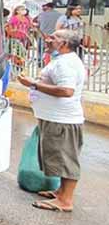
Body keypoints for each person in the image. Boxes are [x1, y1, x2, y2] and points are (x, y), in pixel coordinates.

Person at [17, 29, 86, 213]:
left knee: (66, 159)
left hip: (62, 120)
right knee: (58, 157)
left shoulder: (66, 64)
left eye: (53, 38)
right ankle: (60, 192)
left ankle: (65, 201)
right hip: (55, 118)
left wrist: (33, 84)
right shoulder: (62, 61)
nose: (47, 40)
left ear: (64, 44)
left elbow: (66, 91)